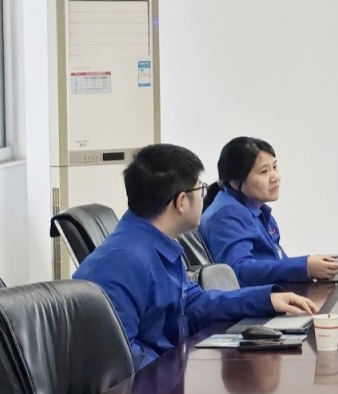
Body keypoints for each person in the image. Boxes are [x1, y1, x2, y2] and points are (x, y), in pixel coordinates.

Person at [75, 143, 317, 369]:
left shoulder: (158, 243)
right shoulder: (121, 262)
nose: (204, 196)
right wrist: (182, 372)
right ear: (181, 201)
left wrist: (265, 299)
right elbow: (122, 359)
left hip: (166, 382)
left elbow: (194, 303)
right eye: (200, 189)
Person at [199, 136, 338, 286]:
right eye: (264, 172)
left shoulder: (257, 209)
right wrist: (304, 267)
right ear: (235, 182)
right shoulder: (226, 215)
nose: (275, 177)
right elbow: (238, 271)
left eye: (275, 167)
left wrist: (312, 266)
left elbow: (276, 260)